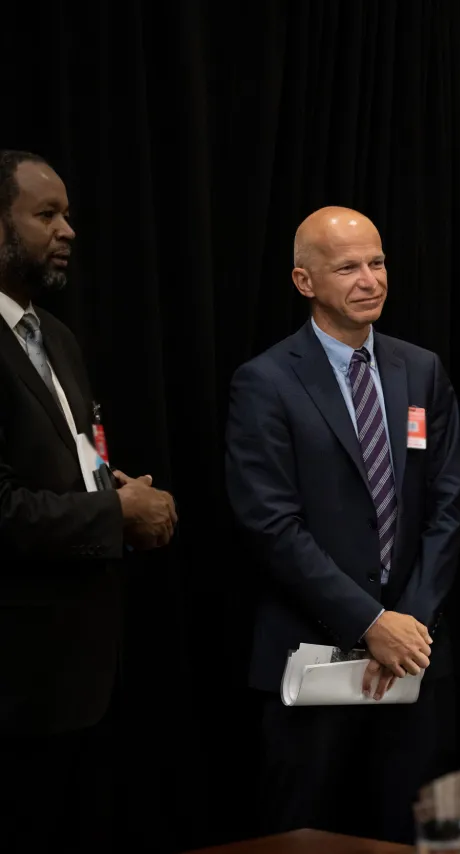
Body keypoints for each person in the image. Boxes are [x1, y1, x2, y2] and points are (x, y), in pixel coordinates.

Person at [225, 206, 460, 844]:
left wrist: (405, 624)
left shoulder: (422, 371)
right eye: (349, 267)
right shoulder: (266, 382)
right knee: (304, 836)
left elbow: (447, 505)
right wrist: (369, 622)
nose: (371, 280)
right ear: (305, 282)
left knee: (420, 836)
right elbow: (270, 526)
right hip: (311, 661)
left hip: (414, 662)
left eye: (378, 262)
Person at [0, 150, 178, 846]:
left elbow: (75, 461)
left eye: (68, 213)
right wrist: (114, 514)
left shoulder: (57, 338)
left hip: (83, 675)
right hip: (15, 691)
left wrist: (126, 495)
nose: (68, 229)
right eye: (46, 215)